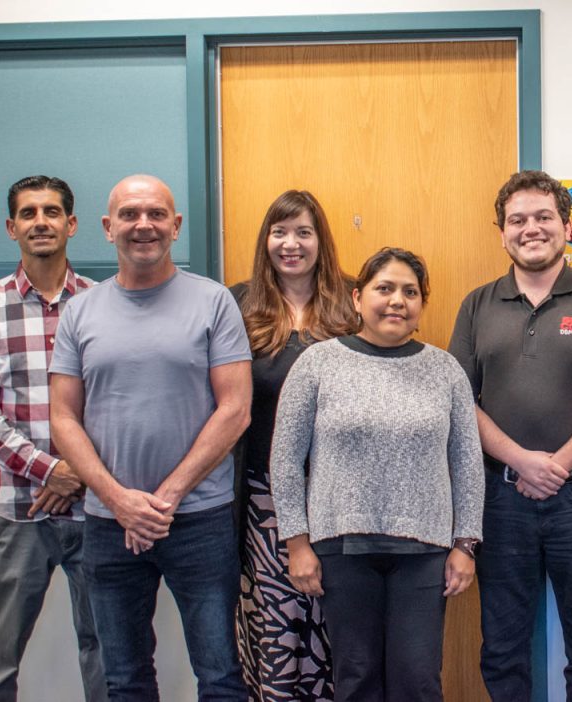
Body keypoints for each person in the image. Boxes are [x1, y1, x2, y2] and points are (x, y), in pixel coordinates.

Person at [49, 174, 252, 701]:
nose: (144, 225)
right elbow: (63, 419)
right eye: (131, 214)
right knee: (125, 679)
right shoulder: (80, 311)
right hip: (107, 524)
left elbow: (235, 410)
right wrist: (119, 502)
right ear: (107, 226)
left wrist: (164, 499)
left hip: (200, 519)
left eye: (157, 214)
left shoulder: (213, 302)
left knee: (221, 676)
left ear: (177, 225)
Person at [448, 170, 572, 701]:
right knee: (503, 645)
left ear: (565, 225)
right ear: (502, 231)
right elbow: (460, 401)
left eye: (543, 217)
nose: (531, 228)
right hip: (501, 500)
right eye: (518, 220)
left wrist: (554, 466)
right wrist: (522, 462)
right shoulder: (477, 305)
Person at [271, 247, 484, 702]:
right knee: (356, 678)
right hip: (342, 548)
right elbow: (285, 458)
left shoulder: (445, 370)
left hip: (424, 550)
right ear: (357, 298)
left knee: (419, 680)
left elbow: (467, 462)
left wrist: (466, 545)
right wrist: (297, 543)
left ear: (421, 304)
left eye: (410, 292)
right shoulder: (317, 364)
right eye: (384, 288)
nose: (397, 301)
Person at [0, 175, 106, 702]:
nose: (40, 221)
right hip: (17, 509)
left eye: (51, 211)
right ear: (11, 227)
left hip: (97, 509)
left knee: (108, 647)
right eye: (27, 213)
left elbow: (120, 405)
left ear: (72, 224)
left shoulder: (103, 304)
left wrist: (79, 476)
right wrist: (51, 471)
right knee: (0, 653)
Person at [230, 190, 355, 701]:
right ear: (265, 240)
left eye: (304, 232)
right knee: (278, 625)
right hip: (264, 497)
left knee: (340, 621)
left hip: (341, 494)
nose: (291, 244)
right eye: (280, 232)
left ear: (321, 241)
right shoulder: (237, 304)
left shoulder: (352, 302)